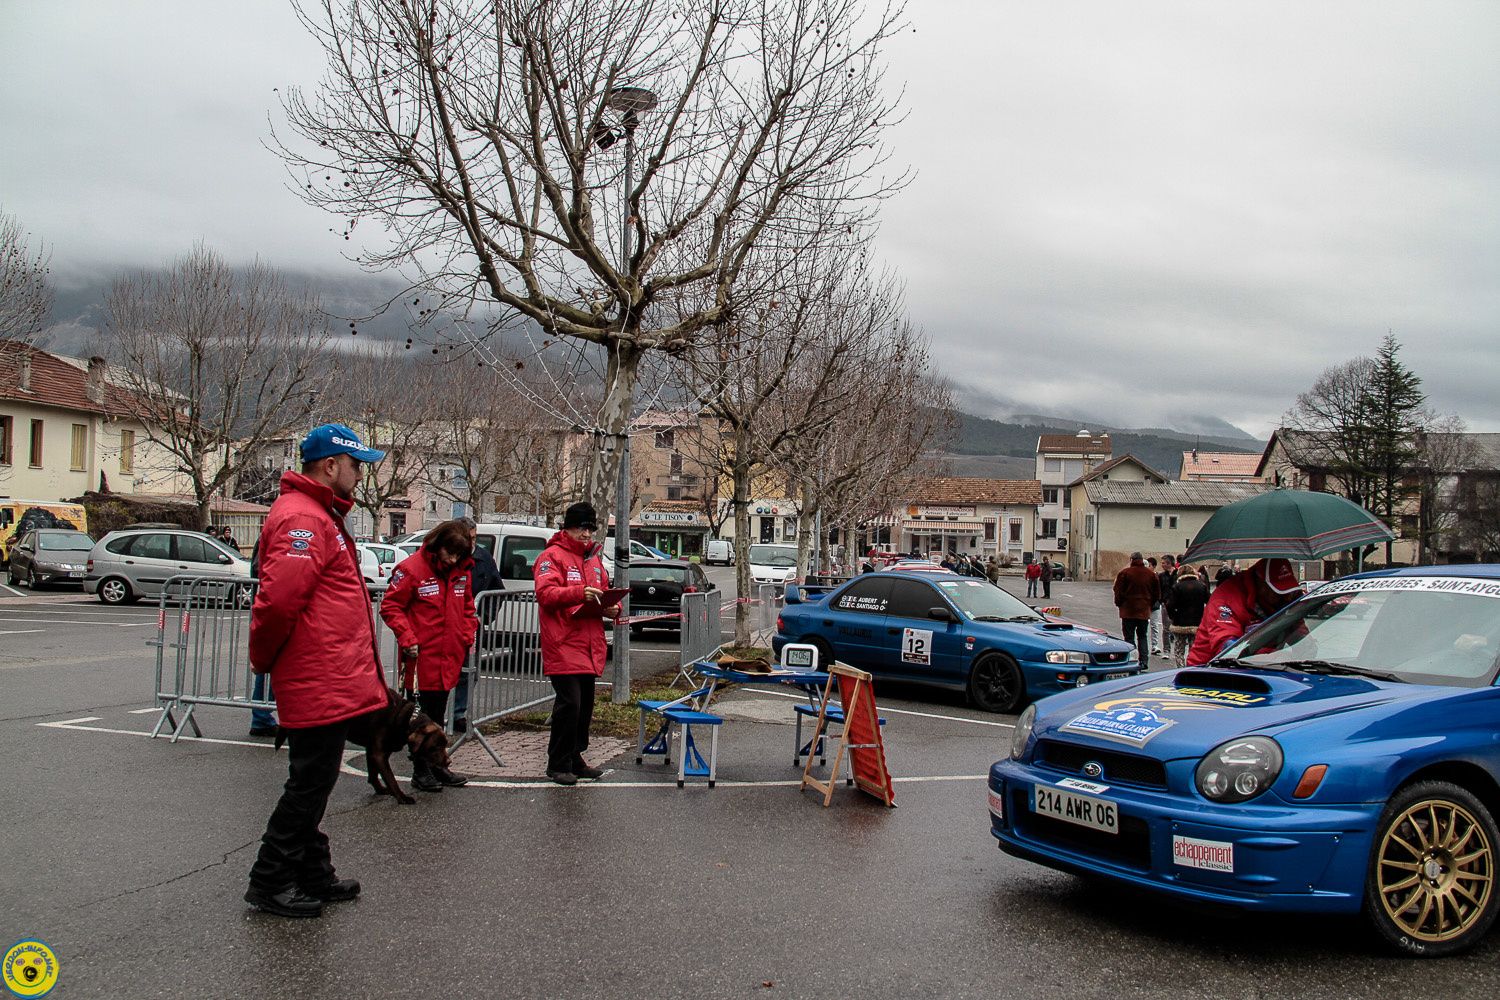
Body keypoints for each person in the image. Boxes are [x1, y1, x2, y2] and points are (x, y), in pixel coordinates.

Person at [244, 423, 388, 919]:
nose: (359, 475)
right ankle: (270, 880)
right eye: (355, 465)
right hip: (317, 673)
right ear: (330, 465)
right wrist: (262, 659)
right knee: (309, 783)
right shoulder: (302, 519)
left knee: (316, 780)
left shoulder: (317, 514)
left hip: (328, 672)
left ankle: (311, 873)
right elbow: (278, 601)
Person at [379, 520, 478, 792]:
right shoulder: (411, 570)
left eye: (459, 554)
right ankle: (421, 770)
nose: (453, 559)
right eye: (451, 553)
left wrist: (468, 633)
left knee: (438, 714)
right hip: (421, 658)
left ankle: (437, 766)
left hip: (449, 656)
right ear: (439, 546)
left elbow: (468, 607)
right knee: (422, 719)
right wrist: (408, 638)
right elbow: (391, 607)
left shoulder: (461, 571)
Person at [534, 501, 617, 786]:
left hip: (588, 642)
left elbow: (601, 591)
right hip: (563, 641)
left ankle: (575, 755)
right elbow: (546, 594)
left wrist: (610, 608)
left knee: (584, 706)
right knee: (569, 704)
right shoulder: (551, 557)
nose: (586, 534)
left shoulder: (593, 560)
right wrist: (579, 593)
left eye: (590, 529)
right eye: (581, 528)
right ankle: (557, 762)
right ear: (567, 528)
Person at [1187, 557, 1302, 666]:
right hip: (1207, 673)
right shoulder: (1226, 597)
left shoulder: (1282, 600)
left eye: (1287, 590)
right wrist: (1276, 654)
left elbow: (1304, 641)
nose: (1285, 596)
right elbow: (1228, 649)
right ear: (1261, 583)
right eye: (1278, 591)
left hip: (1260, 669)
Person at [247, 536, 277, 737]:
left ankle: (261, 716)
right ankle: (261, 717)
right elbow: (259, 569)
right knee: (268, 666)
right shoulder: (276, 532)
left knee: (270, 666)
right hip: (272, 606)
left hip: (269, 604)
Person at [1113, 552, 1161, 668]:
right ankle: (1144, 661)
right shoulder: (1150, 574)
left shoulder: (1125, 573)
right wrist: (1149, 603)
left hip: (1128, 610)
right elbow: (1157, 593)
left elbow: (1118, 591)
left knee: (1129, 636)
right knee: (1142, 636)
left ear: (1131, 560)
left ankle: (1131, 659)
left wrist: (1119, 604)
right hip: (1143, 610)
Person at [1165, 563, 1208, 666]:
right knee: (1193, 648)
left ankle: (1180, 668)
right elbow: (1209, 601)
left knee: (1179, 649)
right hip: (1197, 621)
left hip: (1180, 622)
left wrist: (1172, 616)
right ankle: (1191, 667)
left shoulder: (1177, 586)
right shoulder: (1202, 586)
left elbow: (1170, 604)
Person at [1151, 555, 1176, 656]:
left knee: (1177, 627)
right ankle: (1166, 650)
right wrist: (1161, 600)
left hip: (1177, 604)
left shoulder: (1177, 574)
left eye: (1164, 563)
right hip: (1166, 603)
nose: (1162, 565)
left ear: (1169, 563)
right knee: (1166, 628)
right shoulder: (1161, 576)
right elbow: (1159, 589)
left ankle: (1178, 649)